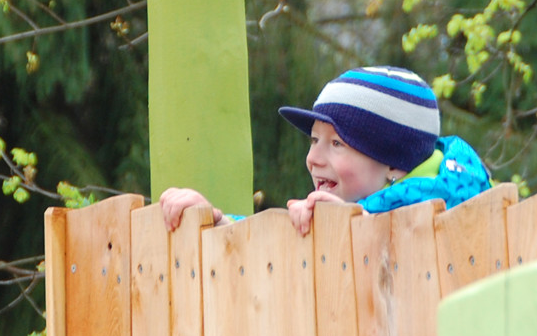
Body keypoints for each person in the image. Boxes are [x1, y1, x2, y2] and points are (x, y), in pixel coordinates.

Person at [159, 66, 491, 236]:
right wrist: (218, 223)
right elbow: (271, 258)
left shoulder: (452, 224)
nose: (313, 159)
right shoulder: (357, 211)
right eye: (313, 140)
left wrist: (355, 229)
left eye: (336, 144)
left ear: (393, 163)